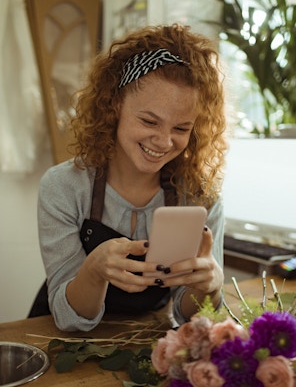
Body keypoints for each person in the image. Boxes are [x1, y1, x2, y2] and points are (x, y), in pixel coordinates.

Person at [36, 23, 228, 331]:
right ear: (114, 105)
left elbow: (191, 317)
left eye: (181, 129)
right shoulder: (63, 188)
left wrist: (209, 287)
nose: (164, 142)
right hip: (64, 343)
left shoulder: (200, 197)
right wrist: (95, 270)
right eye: (149, 121)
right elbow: (68, 318)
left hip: (148, 340)